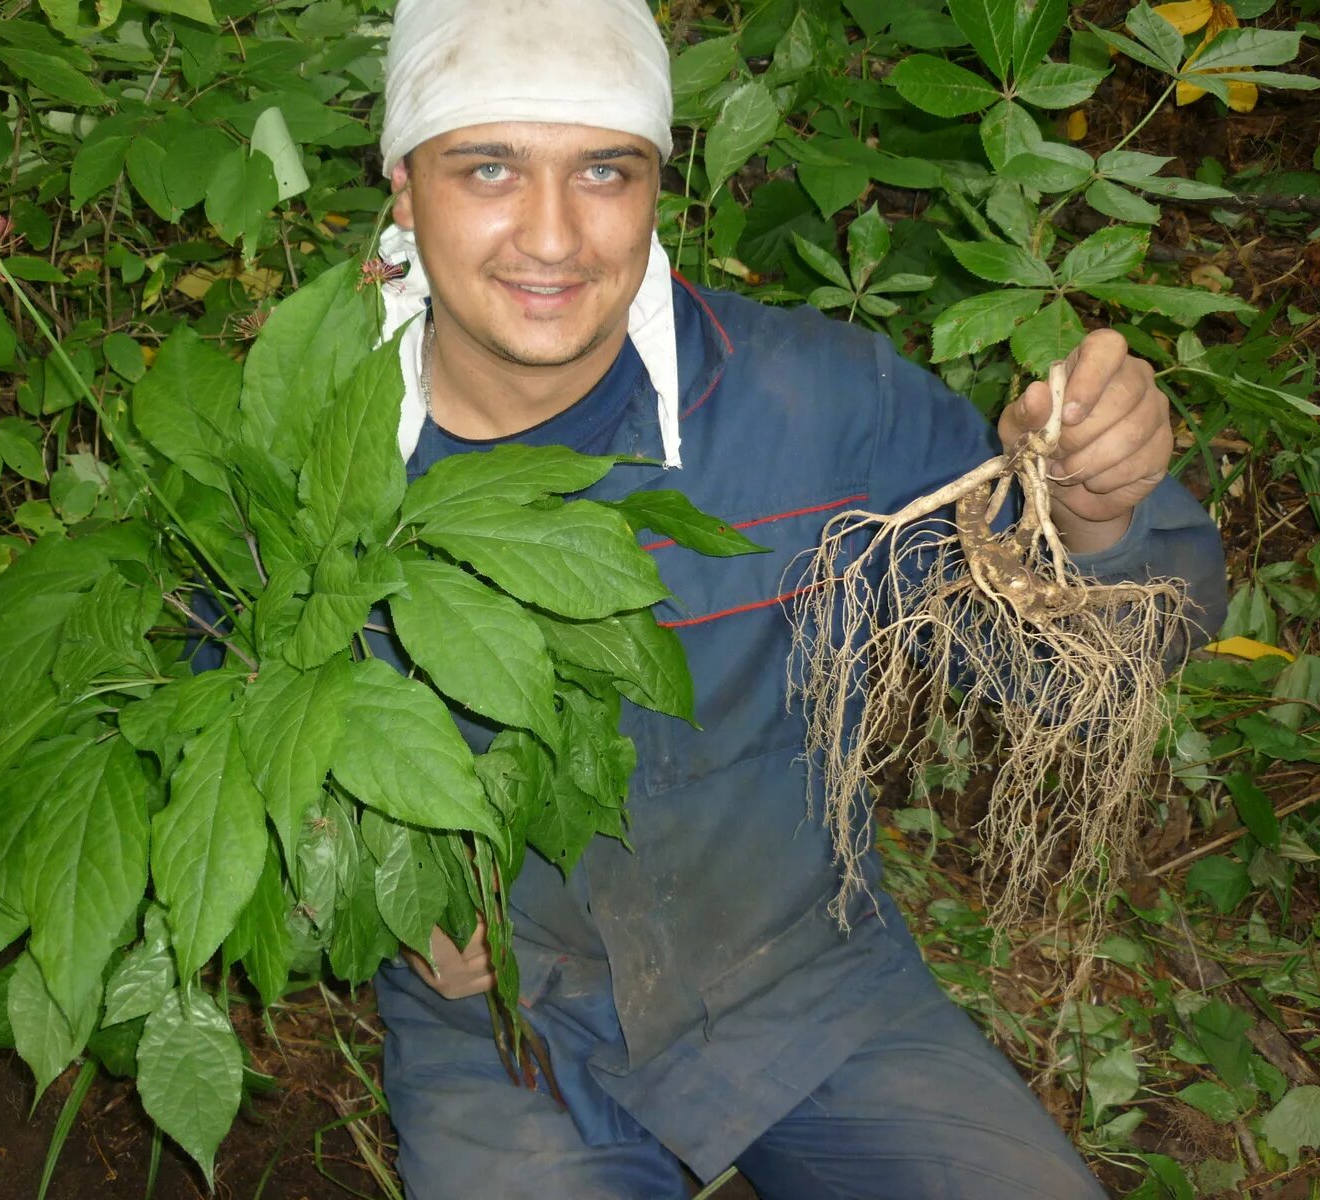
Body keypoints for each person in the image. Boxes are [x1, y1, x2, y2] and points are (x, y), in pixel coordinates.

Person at [366, 1, 1228, 1197]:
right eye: (491, 168)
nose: (551, 236)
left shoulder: (811, 406)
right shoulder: (305, 456)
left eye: (604, 170)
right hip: (507, 1027)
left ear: (658, 184)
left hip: (806, 981)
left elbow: (1086, 665)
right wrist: (365, 892)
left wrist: (1088, 514)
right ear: (405, 187)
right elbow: (223, 720)